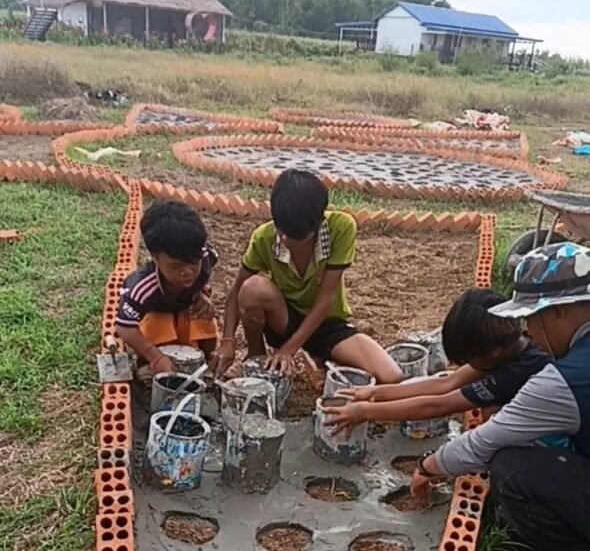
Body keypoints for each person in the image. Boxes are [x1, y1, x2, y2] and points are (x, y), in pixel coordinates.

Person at [410, 243, 590, 551]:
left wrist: (426, 466)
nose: (529, 333)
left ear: (558, 312)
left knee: (511, 468)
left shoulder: (565, 379)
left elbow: (482, 444)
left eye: (532, 318)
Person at [212, 169, 403, 382]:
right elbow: (237, 290)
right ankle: (256, 358)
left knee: (391, 375)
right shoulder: (264, 238)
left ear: (318, 222)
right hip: (283, 320)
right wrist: (228, 340)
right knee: (253, 288)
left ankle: (318, 356)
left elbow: (326, 300)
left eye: (295, 235)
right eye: (280, 229)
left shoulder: (341, 228)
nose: (284, 238)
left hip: (326, 323)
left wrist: (289, 350)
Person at [326, 287, 553, 434]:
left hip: (552, 427)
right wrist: (375, 393)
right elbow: (445, 383)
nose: (464, 364)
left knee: (492, 417)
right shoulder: (516, 343)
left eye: (468, 359)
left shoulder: (515, 374)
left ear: (492, 352)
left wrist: (363, 412)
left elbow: (437, 405)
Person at [115, 200, 218, 378]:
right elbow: (124, 327)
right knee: (158, 322)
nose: (187, 272)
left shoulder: (207, 256)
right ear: (155, 258)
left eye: (193, 263)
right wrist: (154, 356)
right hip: (155, 312)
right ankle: (151, 364)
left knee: (203, 314)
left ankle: (201, 359)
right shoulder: (143, 289)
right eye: (176, 266)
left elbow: (205, 273)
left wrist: (201, 293)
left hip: (184, 305)